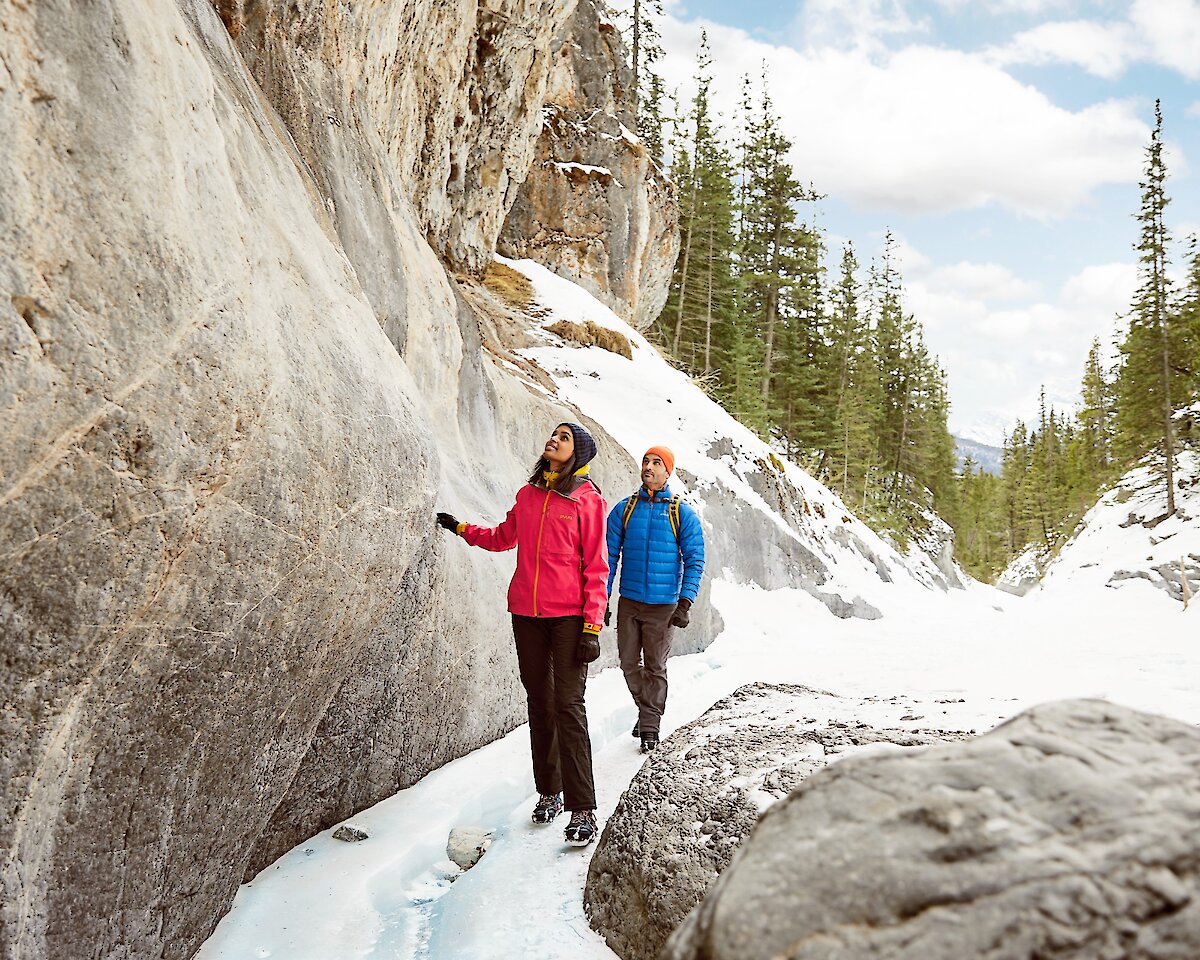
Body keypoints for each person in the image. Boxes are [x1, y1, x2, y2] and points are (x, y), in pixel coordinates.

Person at [436, 422, 608, 845]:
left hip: (569, 618)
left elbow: (597, 567)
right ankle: (549, 791)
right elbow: (502, 537)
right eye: (553, 434)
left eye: (564, 438)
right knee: (539, 702)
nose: (553, 439)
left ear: (578, 453)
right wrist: (462, 529)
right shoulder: (529, 495)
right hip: (526, 614)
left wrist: (592, 625)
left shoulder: (588, 501)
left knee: (568, 705)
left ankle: (583, 808)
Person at [605, 445, 705, 754]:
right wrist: (601, 599)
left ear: (667, 471)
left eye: (656, 462)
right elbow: (607, 558)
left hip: (663, 606)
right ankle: (648, 709)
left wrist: (685, 602)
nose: (648, 466)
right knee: (627, 663)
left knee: (655, 666)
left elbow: (695, 558)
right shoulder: (625, 509)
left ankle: (649, 726)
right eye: (646, 461)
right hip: (630, 602)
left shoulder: (680, 512)